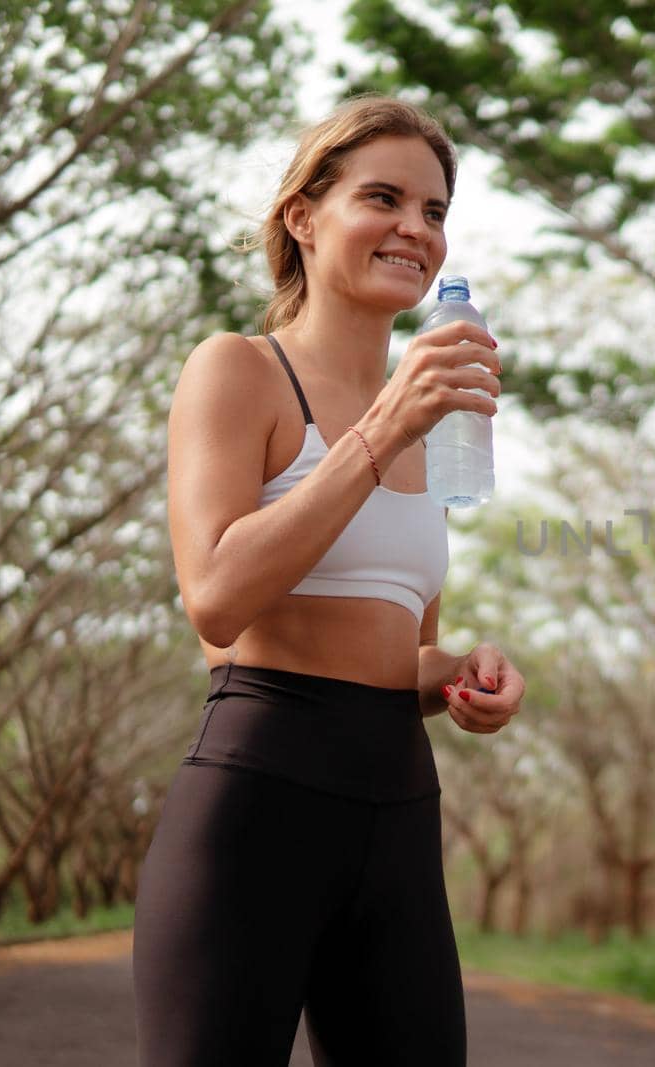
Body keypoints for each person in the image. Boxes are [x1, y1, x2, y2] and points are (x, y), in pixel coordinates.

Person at [132, 94, 524, 1066]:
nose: (414, 229)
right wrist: (382, 428)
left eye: (433, 211)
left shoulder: (436, 429)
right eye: (382, 197)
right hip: (256, 800)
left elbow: (395, 644)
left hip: (397, 807)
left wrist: (462, 671)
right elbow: (216, 597)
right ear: (303, 216)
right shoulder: (239, 370)